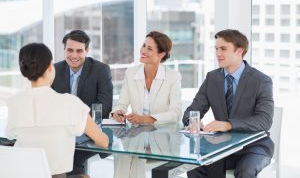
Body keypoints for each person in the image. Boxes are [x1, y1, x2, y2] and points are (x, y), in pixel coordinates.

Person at [6, 43, 109, 178]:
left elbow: (10, 135)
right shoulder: (70, 102)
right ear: (50, 66)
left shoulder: (14, 102)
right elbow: (103, 142)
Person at [182, 29, 274, 178]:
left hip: (254, 148)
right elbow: (192, 110)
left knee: (245, 171)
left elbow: (264, 121)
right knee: (194, 167)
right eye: (216, 49)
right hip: (222, 147)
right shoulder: (212, 78)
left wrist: (229, 124)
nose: (218, 54)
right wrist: (193, 121)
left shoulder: (261, 81)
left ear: (239, 51)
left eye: (223, 49)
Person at [110, 31, 182, 178]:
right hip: (136, 136)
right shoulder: (131, 73)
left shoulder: (172, 77)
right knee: (123, 155)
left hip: (163, 138)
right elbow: (122, 104)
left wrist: (147, 119)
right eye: (144, 45)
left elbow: (176, 113)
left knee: (131, 158)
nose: (143, 50)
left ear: (161, 54)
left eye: (149, 48)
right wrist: (117, 113)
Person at [51, 30, 113, 175]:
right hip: (61, 132)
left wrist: (76, 121)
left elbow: (104, 106)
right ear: (64, 50)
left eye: (79, 51)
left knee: (72, 157)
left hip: (90, 133)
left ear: (87, 51)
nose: (74, 55)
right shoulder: (55, 70)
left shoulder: (101, 70)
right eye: (70, 50)